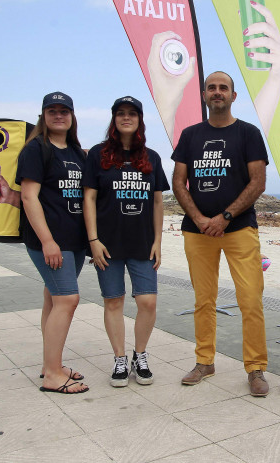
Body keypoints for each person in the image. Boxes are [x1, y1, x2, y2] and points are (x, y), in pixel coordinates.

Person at [172, 71, 270, 397]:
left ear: (233, 95)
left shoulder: (249, 133)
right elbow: (178, 182)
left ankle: (255, 369)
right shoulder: (190, 135)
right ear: (203, 95)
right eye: (211, 88)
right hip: (197, 231)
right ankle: (204, 361)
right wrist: (200, 218)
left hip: (240, 229)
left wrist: (225, 217)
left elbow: (257, 182)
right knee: (204, 300)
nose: (217, 92)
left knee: (251, 300)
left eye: (223, 88)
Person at [83, 96, 170, 387]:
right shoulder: (97, 154)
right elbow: (89, 198)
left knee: (147, 301)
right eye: (120, 113)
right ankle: (120, 359)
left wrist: (158, 240)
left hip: (142, 243)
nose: (126, 118)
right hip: (107, 243)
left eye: (132, 113)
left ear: (139, 119)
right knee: (113, 301)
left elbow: (158, 202)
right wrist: (93, 240)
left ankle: (140, 355)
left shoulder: (152, 157)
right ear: (114, 119)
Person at [16, 91, 89, 394]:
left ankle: (51, 365)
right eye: (52, 111)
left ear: (72, 116)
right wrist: (47, 241)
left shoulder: (76, 152)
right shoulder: (36, 149)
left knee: (53, 298)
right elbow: (29, 196)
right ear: (43, 115)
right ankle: (53, 376)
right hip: (50, 241)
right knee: (67, 300)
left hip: (76, 241)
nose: (59, 115)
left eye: (64, 111)